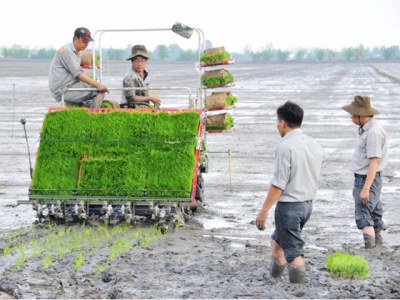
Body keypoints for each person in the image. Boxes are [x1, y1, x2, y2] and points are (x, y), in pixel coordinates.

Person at [255, 101, 325, 284]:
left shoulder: (285, 147)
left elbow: (278, 184)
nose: (277, 126)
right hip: (307, 205)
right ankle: (274, 278)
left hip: (290, 208)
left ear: (283, 123)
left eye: (277, 122)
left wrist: (264, 211)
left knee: (293, 251)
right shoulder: (314, 144)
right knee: (277, 243)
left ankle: (297, 288)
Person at [341, 96, 388, 249]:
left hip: (368, 179)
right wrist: (358, 186)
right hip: (366, 179)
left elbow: (374, 162)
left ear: (361, 115)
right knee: (374, 213)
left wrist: (366, 187)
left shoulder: (373, 132)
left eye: (353, 114)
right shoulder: (368, 128)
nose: (351, 117)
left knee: (363, 215)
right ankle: (378, 248)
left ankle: (370, 249)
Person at [49, 27, 109, 108]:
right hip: (63, 89)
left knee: (90, 95)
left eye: (88, 42)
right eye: (84, 41)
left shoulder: (77, 52)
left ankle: (87, 108)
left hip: (70, 86)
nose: (86, 44)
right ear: (76, 38)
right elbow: (78, 74)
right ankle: (93, 115)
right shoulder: (67, 51)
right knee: (98, 90)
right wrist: (98, 85)